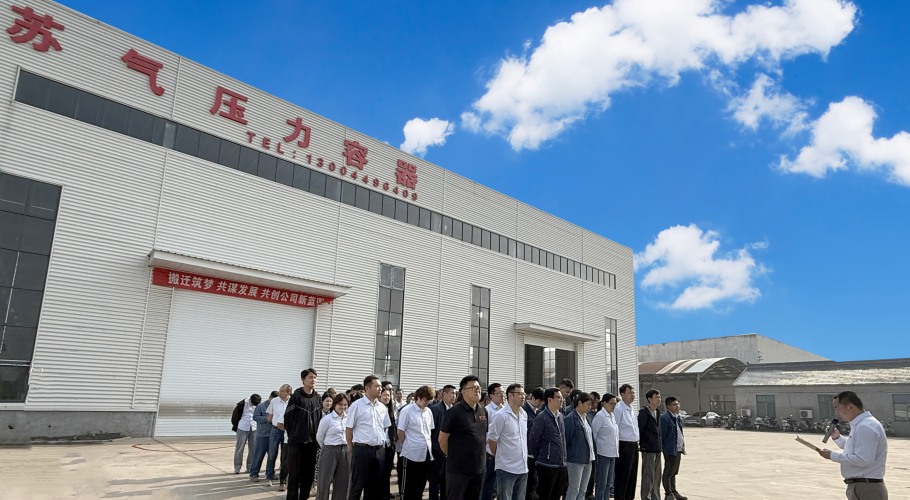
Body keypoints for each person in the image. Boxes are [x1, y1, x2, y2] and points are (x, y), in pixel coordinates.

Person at [818, 391, 889, 500]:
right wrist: (837, 437)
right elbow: (856, 448)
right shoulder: (862, 424)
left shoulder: (865, 426)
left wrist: (832, 455)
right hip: (863, 486)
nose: (837, 413)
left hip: (866, 488)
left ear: (850, 407)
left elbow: (864, 459)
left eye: (838, 408)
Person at [439, 375, 488, 500]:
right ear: (463, 391)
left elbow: (482, 437)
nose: (477, 390)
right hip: (458, 471)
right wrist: (454, 455)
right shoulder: (453, 412)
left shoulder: (483, 411)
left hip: (479, 469)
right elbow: (442, 439)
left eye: (478, 387)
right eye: (473, 388)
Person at [346, 375, 391, 500]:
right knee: (357, 485)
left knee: (374, 487)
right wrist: (350, 446)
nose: (380, 389)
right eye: (377, 386)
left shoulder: (382, 407)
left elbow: (385, 427)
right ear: (367, 388)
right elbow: (349, 428)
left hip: (379, 450)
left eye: (380, 386)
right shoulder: (356, 406)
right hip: (362, 450)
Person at [282, 368, 323, 500]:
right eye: (310, 377)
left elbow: (319, 419)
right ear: (303, 380)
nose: (313, 380)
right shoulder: (296, 397)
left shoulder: (318, 398)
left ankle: (304, 497)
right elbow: (288, 418)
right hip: (297, 442)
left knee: (308, 474)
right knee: (294, 474)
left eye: (315, 377)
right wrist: (294, 435)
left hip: (312, 443)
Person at [488, 383, 529, 500]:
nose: (523, 397)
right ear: (510, 396)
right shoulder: (501, 416)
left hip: (523, 467)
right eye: (520, 394)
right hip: (506, 468)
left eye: (524, 394)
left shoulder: (524, 414)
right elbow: (492, 440)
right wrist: (500, 456)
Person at [398, 385, 437, 500]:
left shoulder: (428, 412)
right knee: (408, 487)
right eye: (425, 399)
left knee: (420, 486)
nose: (427, 402)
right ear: (418, 397)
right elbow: (400, 432)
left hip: (425, 453)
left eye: (429, 400)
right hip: (411, 454)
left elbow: (430, 431)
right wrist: (409, 444)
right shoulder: (407, 411)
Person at [529, 388, 568, 500]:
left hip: (560, 464)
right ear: (549, 400)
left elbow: (562, 439)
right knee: (546, 495)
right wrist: (542, 456)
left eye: (562, 398)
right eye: (558, 397)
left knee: (557, 495)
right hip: (546, 465)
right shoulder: (542, 417)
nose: (562, 400)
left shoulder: (560, 416)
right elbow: (533, 441)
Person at [316, 394, 351, 500]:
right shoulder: (327, 419)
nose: (343, 407)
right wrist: (327, 448)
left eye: (345, 404)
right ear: (335, 404)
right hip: (329, 450)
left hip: (345, 450)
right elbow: (320, 436)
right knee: (324, 480)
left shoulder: (349, 419)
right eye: (340, 404)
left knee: (343, 481)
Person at [565, 392, 595, 500]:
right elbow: (566, 440)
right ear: (580, 403)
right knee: (574, 490)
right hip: (575, 460)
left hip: (588, 458)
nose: (589, 407)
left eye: (590, 405)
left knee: (583, 490)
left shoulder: (587, 418)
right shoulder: (570, 419)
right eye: (587, 404)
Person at [429, 384, 457, 500]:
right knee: (435, 481)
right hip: (437, 453)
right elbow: (432, 432)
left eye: (455, 394)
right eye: (452, 393)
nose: (454, 396)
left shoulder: (455, 410)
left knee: (447, 482)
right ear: (444, 394)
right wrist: (437, 449)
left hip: (450, 454)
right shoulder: (435, 409)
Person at [613, 384, 639, 500]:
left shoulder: (631, 409)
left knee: (632, 475)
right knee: (623, 476)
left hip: (633, 445)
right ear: (622, 394)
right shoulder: (619, 409)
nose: (632, 395)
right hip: (624, 445)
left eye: (633, 393)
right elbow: (615, 428)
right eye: (629, 393)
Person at [591, 394, 619, 500]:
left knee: (609, 483)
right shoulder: (600, 416)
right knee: (601, 483)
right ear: (604, 403)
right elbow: (594, 434)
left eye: (615, 404)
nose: (614, 406)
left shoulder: (612, 416)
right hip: (603, 453)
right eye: (611, 404)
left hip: (612, 453)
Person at [659, 396, 687, 500]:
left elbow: (679, 433)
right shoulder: (664, 418)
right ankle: (668, 493)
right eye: (674, 404)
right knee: (668, 472)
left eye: (677, 404)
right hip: (670, 450)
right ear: (668, 406)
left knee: (673, 472)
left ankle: (674, 492)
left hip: (677, 449)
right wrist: (664, 448)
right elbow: (662, 435)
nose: (677, 406)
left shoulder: (677, 417)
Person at [638, 389, 662, 500]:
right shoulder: (644, 413)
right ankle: (646, 497)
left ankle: (656, 497)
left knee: (657, 476)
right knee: (648, 476)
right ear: (649, 399)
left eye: (659, 397)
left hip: (657, 448)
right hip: (648, 449)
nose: (659, 399)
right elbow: (640, 430)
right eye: (656, 397)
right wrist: (642, 445)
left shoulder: (658, 412)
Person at [482, 383, 505, 500]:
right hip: (490, 453)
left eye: (503, 393)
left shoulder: (505, 409)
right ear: (491, 396)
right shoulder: (486, 411)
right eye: (499, 393)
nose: (502, 395)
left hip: (503, 452)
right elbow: (484, 433)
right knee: (488, 483)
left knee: (498, 483)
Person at [268, 384, 293, 490]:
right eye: (280, 390)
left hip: (287, 432)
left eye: (283, 391)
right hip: (276, 430)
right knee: (272, 454)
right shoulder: (274, 401)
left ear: (288, 392)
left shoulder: (292, 402)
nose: (280, 393)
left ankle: (283, 479)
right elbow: (270, 417)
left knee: (285, 457)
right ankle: (269, 476)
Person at [250, 391, 278, 482]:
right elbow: (255, 417)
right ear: (269, 397)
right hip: (262, 435)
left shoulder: (277, 406)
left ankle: (270, 474)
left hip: (274, 434)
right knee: (258, 455)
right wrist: (267, 419)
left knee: (272, 456)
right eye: (272, 400)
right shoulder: (261, 406)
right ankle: (254, 474)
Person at [522, 387, 545, 500]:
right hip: (526, 452)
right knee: (527, 484)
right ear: (533, 398)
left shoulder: (539, 412)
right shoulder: (523, 411)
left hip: (537, 453)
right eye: (539, 401)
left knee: (534, 483)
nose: (541, 404)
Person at [232, 393, 262, 474]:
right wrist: (235, 425)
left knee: (253, 448)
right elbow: (234, 416)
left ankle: (250, 467)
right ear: (250, 400)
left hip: (254, 428)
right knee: (239, 448)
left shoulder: (258, 405)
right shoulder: (242, 404)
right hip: (242, 427)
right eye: (253, 404)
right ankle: (237, 467)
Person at [381, 388, 399, 500]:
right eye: (384, 395)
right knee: (380, 471)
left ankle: (386, 493)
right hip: (380, 445)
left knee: (387, 470)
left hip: (390, 444)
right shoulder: (378, 408)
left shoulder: (390, 409)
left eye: (388, 395)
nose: (387, 397)